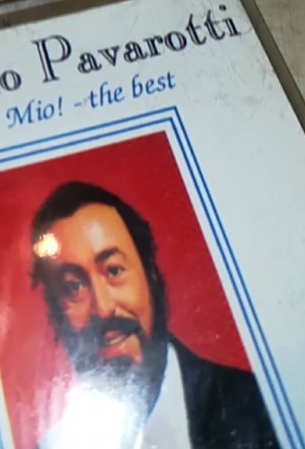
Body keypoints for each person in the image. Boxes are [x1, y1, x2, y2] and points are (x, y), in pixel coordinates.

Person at [29, 181, 278, 449]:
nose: (103, 307)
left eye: (114, 271)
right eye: (73, 287)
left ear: (151, 275)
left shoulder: (261, 406)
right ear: (55, 313)